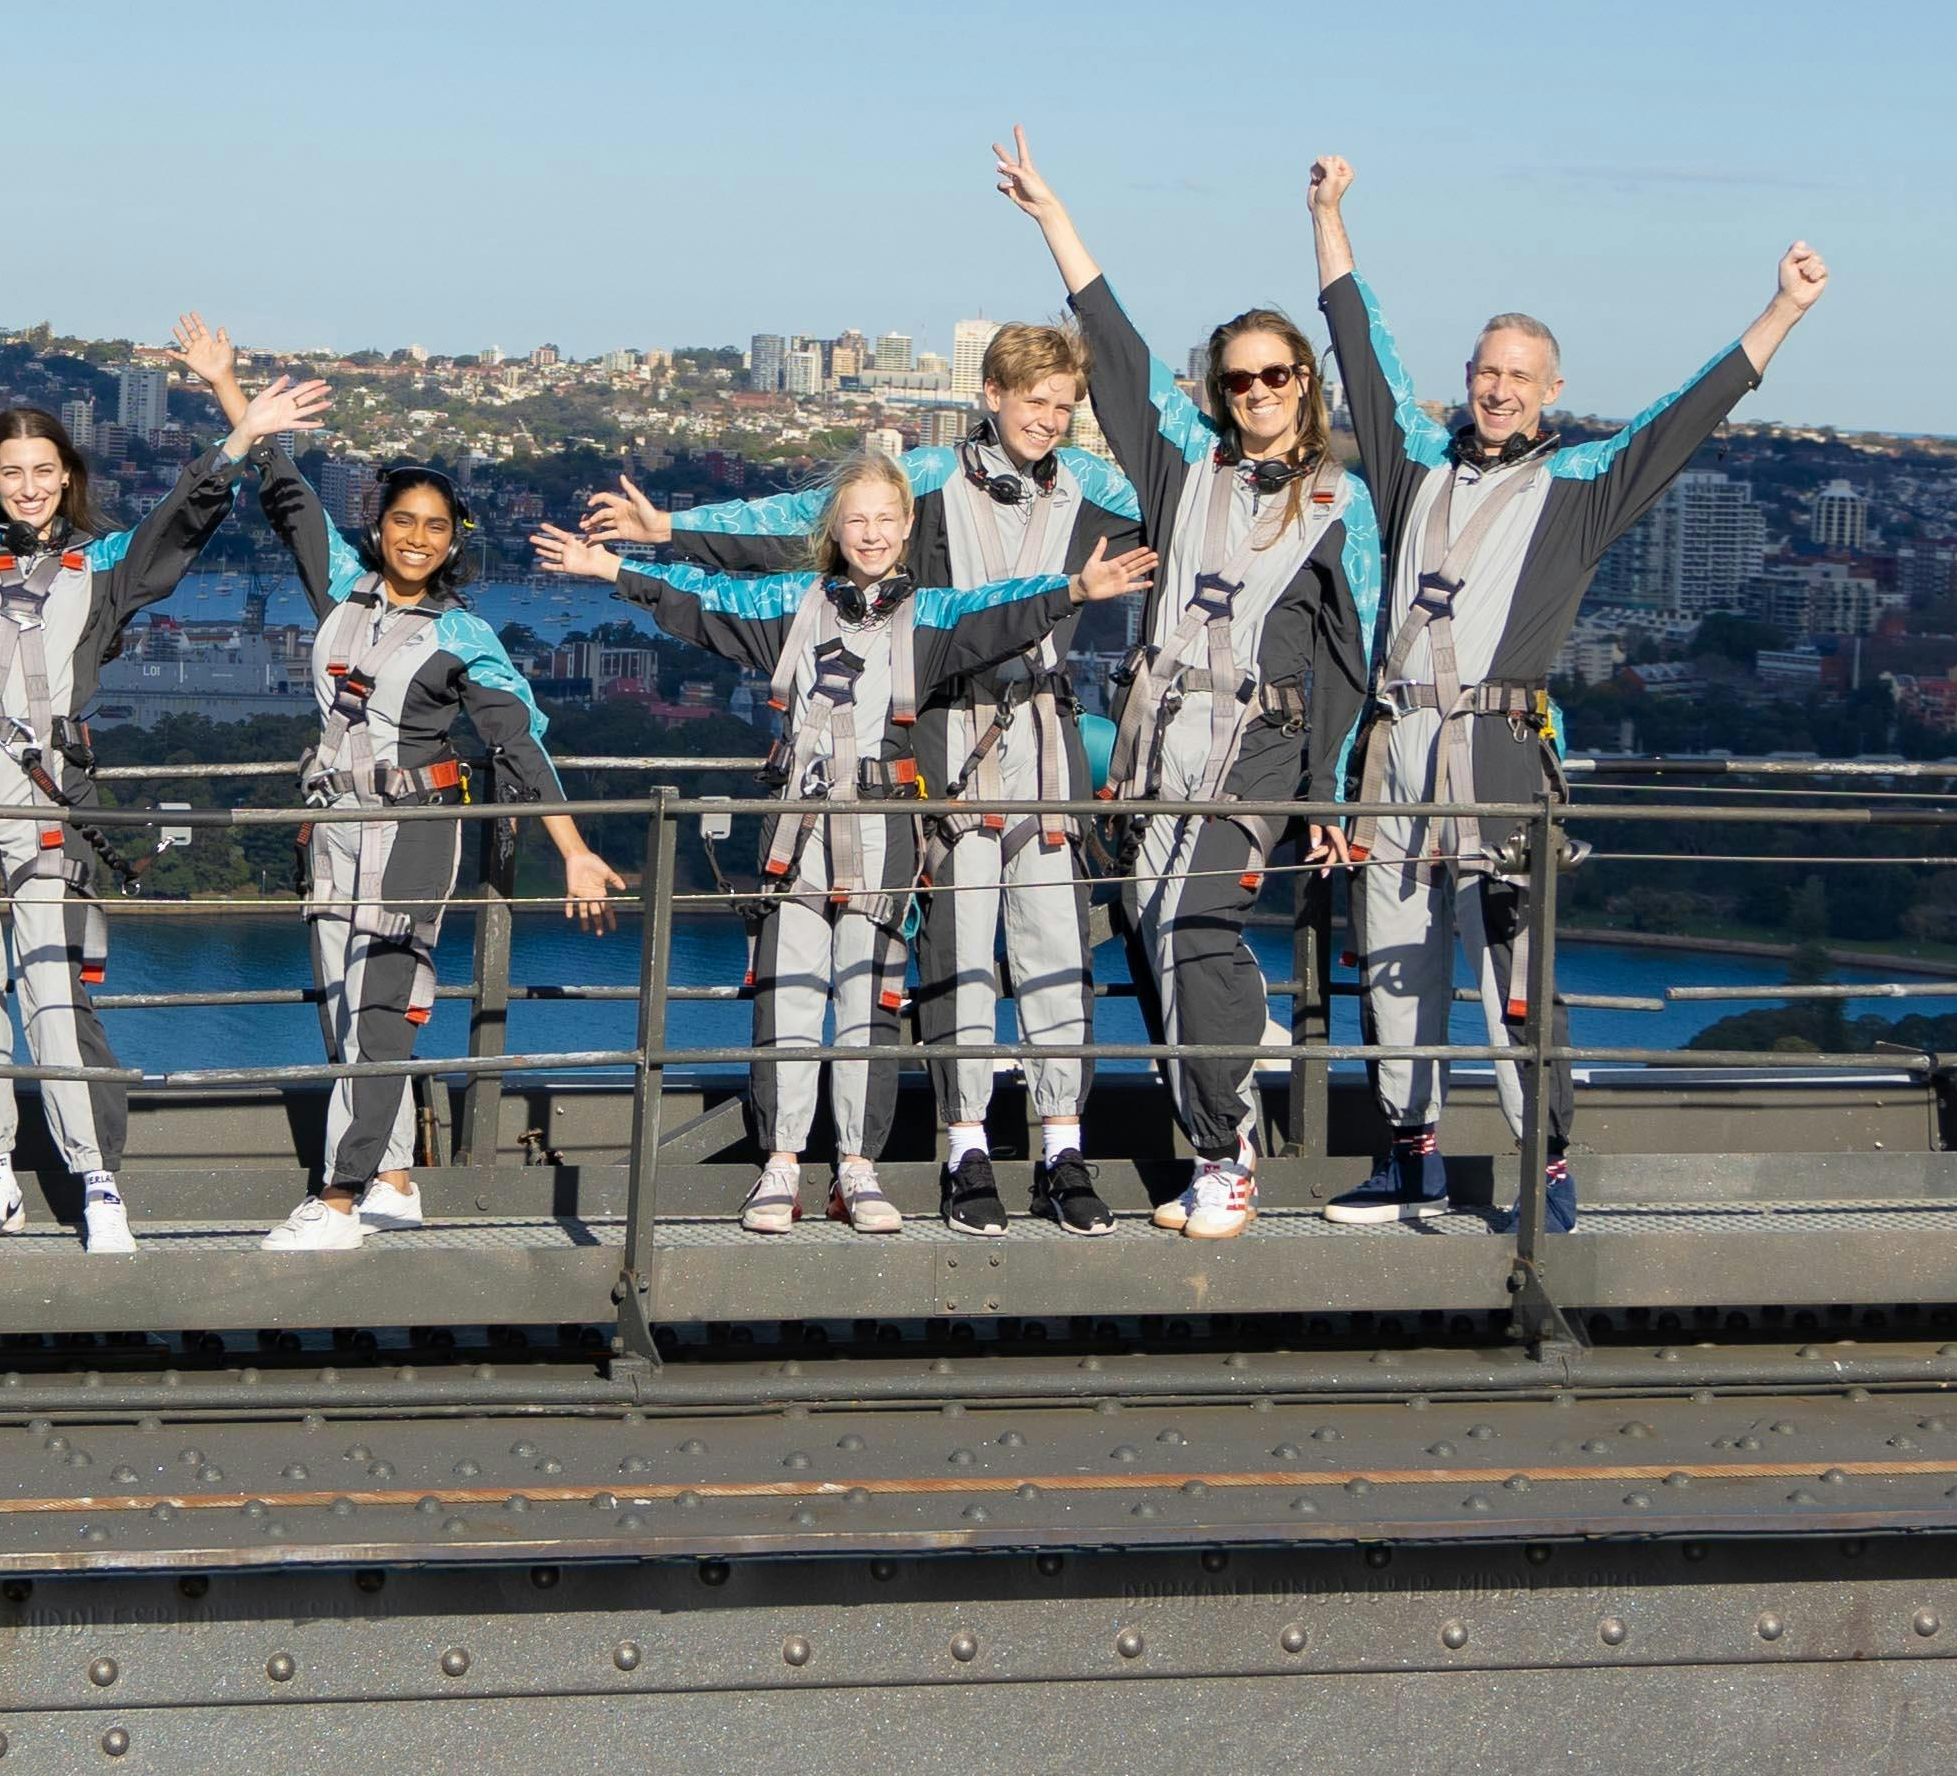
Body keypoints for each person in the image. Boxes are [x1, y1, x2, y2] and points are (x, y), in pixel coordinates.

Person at [1315, 159, 1831, 1230]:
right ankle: (1407, 1157)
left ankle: (1544, 1169)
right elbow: (1359, 349)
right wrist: (1327, 216)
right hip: (1398, 746)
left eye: (1520, 375)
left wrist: (1781, 308)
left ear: (1552, 389)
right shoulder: (1412, 468)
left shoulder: (1580, 488)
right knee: (1395, 967)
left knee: (1509, 965)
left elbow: (1685, 417)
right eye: (1486, 372)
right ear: (1469, 379)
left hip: (1498, 745)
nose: (1499, 389)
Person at [579, 313, 1144, 1230]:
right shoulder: (922, 483)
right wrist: (673, 528)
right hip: (943, 745)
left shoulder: (1093, 488)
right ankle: (963, 1149)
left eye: (1064, 405)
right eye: (1034, 400)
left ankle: (1062, 1149)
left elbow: (1181, 475)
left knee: (1054, 955)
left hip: (1043, 743)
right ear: (990, 395)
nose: (1049, 418)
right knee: (956, 954)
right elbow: (802, 526)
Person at [988, 135, 1382, 1239]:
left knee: (1194, 922)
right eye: (1239, 377)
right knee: (1151, 922)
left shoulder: (1336, 506)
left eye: (1276, 374)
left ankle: (1228, 1157)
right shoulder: (1182, 474)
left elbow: (1349, 659)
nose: (1256, 391)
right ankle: (1214, 1128)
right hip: (1163, 742)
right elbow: (1115, 357)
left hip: (1258, 745)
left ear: (1303, 383)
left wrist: (1328, 797)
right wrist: (1055, 219)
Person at [0, 318, 328, 1253]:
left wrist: (240, 426)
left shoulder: (102, 567)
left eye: (43, 469)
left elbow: (185, 515)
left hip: (47, 789)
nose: (28, 485)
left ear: (67, 475)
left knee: (51, 992)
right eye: (10, 471)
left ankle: (96, 1179)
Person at [260, 448, 621, 1253]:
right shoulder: (340, 590)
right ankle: (392, 1181)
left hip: (414, 833)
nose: (417, 538)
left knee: (382, 1005)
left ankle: (340, 1198)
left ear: (454, 539)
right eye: (402, 521)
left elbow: (519, 743)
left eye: (436, 527)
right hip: (332, 827)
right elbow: (291, 499)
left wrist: (572, 847)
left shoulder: (464, 635)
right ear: (378, 526)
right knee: (342, 1009)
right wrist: (232, 395)